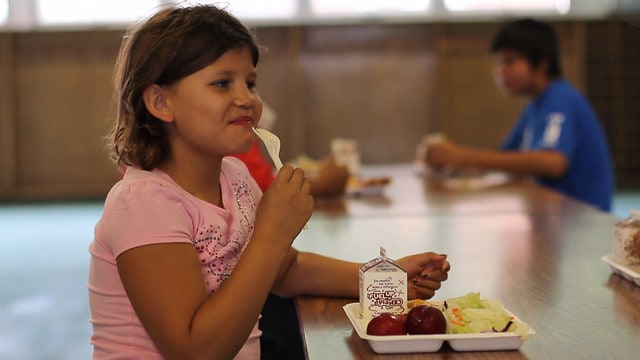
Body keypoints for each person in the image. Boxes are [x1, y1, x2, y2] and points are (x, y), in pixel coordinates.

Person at [87, 5, 450, 360]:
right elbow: (194, 350)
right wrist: (272, 233)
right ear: (161, 102)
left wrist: (384, 277)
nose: (246, 99)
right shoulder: (144, 203)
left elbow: (286, 269)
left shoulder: (235, 177)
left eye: (250, 83)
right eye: (222, 83)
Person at [419, 18, 614, 212]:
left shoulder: (559, 98)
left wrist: (465, 157)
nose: (501, 71)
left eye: (510, 61)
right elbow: (505, 155)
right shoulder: (535, 105)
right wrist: (451, 163)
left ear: (542, 64)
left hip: (583, 222)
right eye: (498, 62)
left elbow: (553, 162)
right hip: (555, 215)